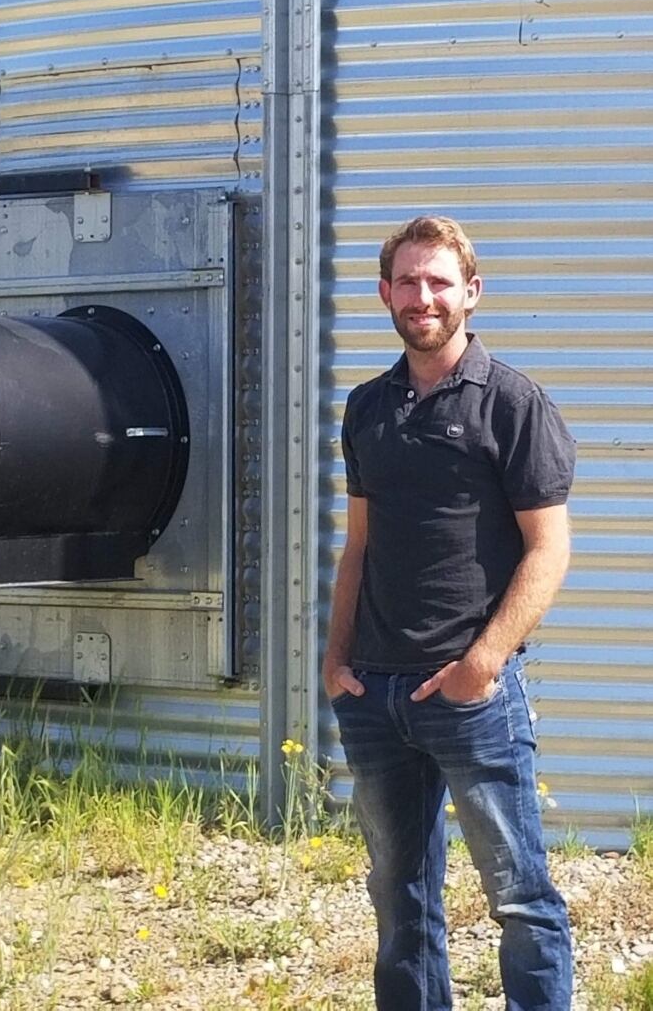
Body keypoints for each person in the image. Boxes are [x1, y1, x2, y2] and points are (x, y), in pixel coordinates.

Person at [323, 215, 575, 1011]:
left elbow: (549, 551)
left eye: (439, 281)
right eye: (407, 281)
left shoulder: (514, 404)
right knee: (401, 905)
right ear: (384, 293)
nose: (422, 296)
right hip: (375, 698)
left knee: (520, 900)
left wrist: (484, 664)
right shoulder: (367, 409)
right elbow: (357, 549)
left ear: (472, 293)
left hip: (472, 700)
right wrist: (335, 665)